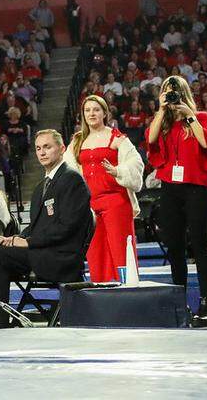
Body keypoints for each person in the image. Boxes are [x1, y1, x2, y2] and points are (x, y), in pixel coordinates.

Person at [0, 130, 92, 327]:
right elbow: (34, 227)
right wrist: (14, 239)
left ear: (62, 149)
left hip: (60, 256)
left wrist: (27, 242)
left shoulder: (73, 180)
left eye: (47, 147)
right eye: (38, 148)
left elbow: (66, 228)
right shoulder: (41, 187)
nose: (42, 152)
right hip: (41, 251)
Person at [145, 75, 207, 327]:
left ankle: (206, 303)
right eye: (167, 91)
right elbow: (150, 140)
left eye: (175, 91)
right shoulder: (162, 123)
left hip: (197, 189)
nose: (172, 94)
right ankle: (179, 303)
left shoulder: (202, 117)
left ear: (185, 93)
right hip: (171, 191)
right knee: (175, 249)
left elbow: (206, 142)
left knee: (199, 248)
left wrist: (189, 115)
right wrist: (161, 109)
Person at [64, 95, 143, 282]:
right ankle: (102, 295)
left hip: (116, 201)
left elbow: (136, 163)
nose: (92, 113)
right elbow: (67, 169)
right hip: (89, 206)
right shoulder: (77, 141)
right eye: (88, 110)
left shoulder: (116, 137)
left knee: (120, 250)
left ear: (104, 113)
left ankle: (126, 293)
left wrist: (118, 170)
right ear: (83, 115)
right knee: (95, 253)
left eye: (96, 109)